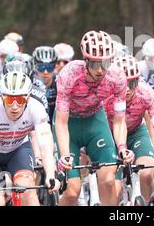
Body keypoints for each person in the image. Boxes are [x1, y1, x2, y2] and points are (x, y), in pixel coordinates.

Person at [54, 30, 130, 206]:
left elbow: (119, 121)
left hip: (95, 121)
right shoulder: (70, 74)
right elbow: (61, 122)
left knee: (109, 181)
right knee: (73, 190)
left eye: (106, 62)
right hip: (69, 124)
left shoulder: (117, 76)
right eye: (96, 64)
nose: (102, 69)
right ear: (86, 61)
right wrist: (65, 156)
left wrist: (122, 147)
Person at [0, 71, 59, 206]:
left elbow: (46, 147)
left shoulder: (36, 108)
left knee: (27, 190)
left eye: (20, 100)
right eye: (9, 100)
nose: (14, 106)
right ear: (2, 98)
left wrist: (50, 175)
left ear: (28, 97)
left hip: (18, 150)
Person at [105, 55, 154, 203]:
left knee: (147, 173)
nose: (128, 89)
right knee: (113, 190)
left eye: (133, 82)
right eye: (123, 83)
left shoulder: (146, 93)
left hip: (136, 132)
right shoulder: (105, 94)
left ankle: (145, 202)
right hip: (109, 135)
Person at [33, 46, 58, 121]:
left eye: (50, 68)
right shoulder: (29, 83)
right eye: (41, 67)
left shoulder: (60, 83)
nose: (45, 72)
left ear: (55, 67)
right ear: (35, 67)